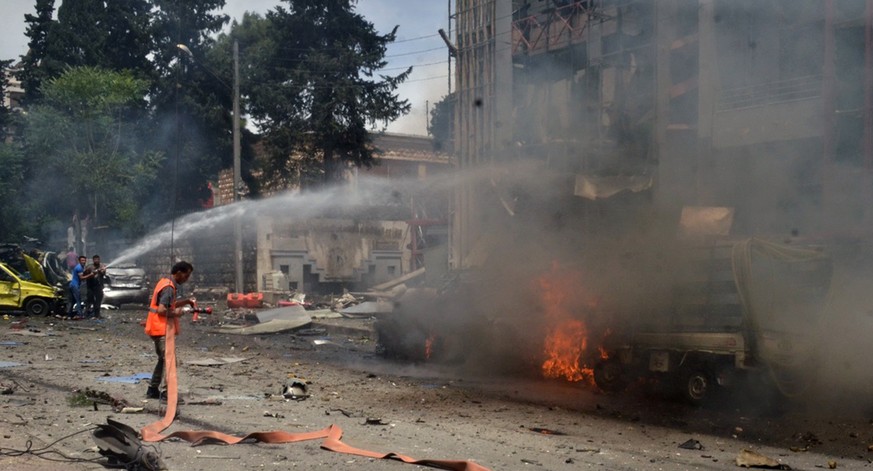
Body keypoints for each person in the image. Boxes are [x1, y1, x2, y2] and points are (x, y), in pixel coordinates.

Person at [144, 261, 196, 400]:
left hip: (156, 327)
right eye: (187, 274)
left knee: (162, 359)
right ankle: (167, 392)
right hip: (161, 328)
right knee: (170, 360)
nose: (187, 278)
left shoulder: (165, 282)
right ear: (179, 272)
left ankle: (153, 389)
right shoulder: (169, 288)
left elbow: (168, 303)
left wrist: (185, 302)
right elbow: (162, 310)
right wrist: (177, 313)